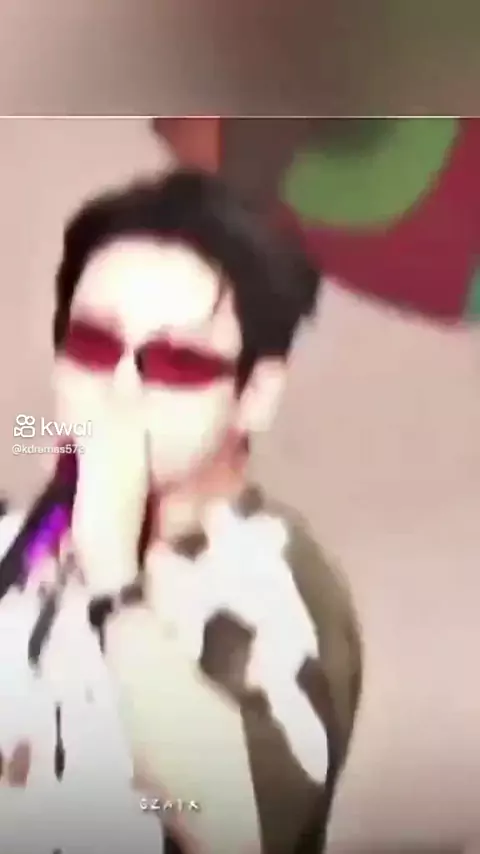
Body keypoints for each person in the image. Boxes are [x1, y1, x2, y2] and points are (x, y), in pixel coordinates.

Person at [0, 168, 362, 853]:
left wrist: (114, 584)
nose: (119, 386)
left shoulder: (275, 583)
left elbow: (235, 826)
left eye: (176, 363)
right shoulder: (17, 544)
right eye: (92, 346)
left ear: (255, 394)